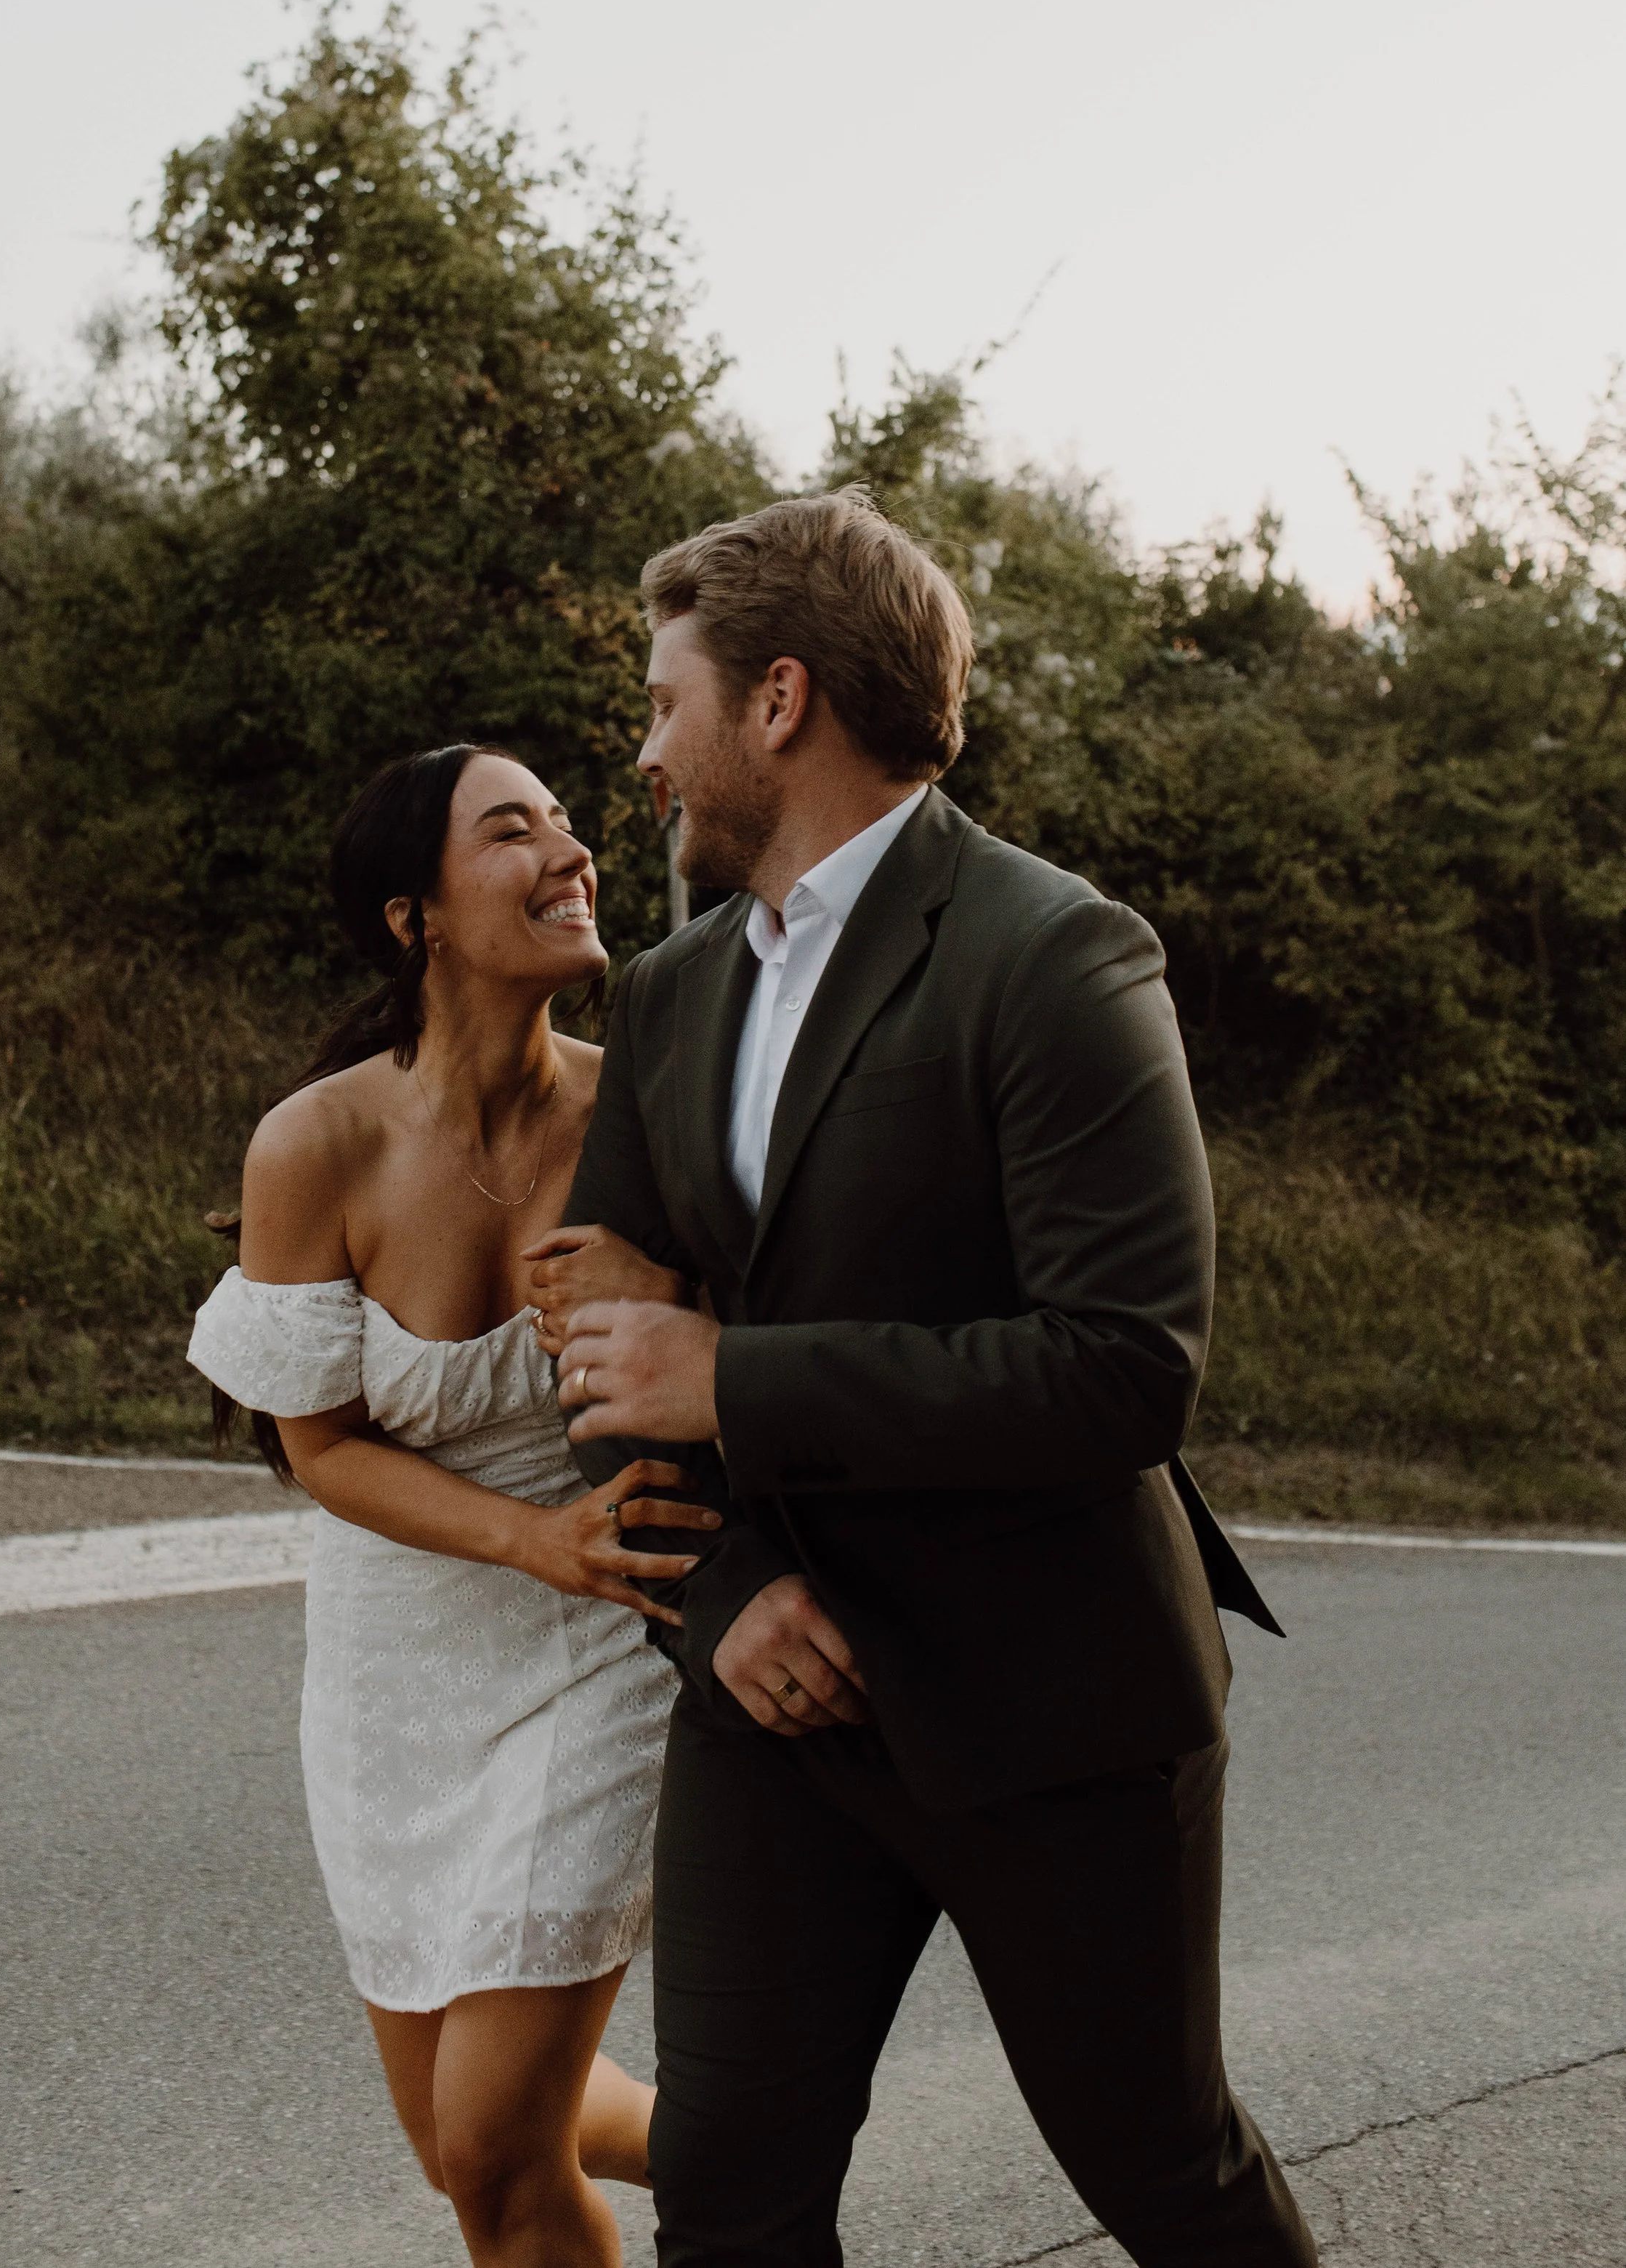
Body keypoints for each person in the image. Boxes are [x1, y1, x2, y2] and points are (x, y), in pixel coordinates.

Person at [529, 491, 1319, 2267]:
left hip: (1047, 1703)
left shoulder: (1052, 955)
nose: (646, 756)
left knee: (1160, 2172)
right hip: (771, 1705)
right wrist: (720, 1595)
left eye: (667, 705)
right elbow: (604, 1356)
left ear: (778, 701)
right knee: (728, 2194)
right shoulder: (663, 997)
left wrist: (734, 1377)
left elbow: (1119, 1372)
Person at [187, 743, 716, 2268]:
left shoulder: (645, 1118)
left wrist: (663, 1294)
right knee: (457, 2151)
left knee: (491, 2146)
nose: (571, 852)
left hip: (603, 1635)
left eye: (567, 824)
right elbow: (324, 1448)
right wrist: (522, 1538)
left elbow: (743, 1351)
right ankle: (736, 2146)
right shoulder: (320, 1143)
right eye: (514, 831)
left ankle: (738, 2158)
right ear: (415, 913)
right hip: (393, 1665)